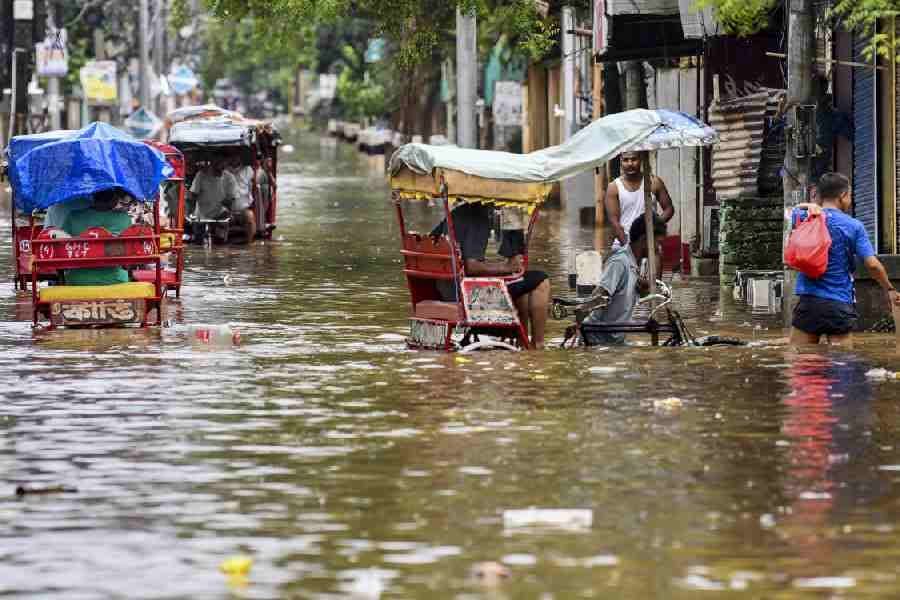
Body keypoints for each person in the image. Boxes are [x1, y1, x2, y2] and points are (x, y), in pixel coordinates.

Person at [789, 172, 900, 346]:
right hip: (839, 303)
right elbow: (872, 265)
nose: (850, 200)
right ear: (842, 196)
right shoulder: (854, 226)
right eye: (849, 196)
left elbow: (795, 210)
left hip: (809, 302)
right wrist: (889, 288)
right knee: (842, 363)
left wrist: (811, 204)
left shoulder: (803, 217)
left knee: (802, 363)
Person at [432, 202, 550, 349]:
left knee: (525, 285)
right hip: (468, 295)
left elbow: (458, 256)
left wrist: (499, 267)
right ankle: (538, 345)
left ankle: (523, 340)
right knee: (541, 280)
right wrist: (505, 267)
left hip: (445, 290)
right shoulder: (478, 218)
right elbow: (471, 266)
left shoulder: (457, 213)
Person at [581, 213, 668, 346]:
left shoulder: (640, 264)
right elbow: (599, 295)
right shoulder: (620, 262)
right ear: (645, 240)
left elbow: (625, 301)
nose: (659, 248)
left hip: (616, 340)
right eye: (658, 242)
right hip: (596, 339)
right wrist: (577, 323)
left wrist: (645, 291)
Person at [60, 188, 133, 286]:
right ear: (114, 199)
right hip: (116, 280)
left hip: (78, 280)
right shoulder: (123, 218)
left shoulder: (73, 216)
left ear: (93, 196)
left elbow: (60, 250)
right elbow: (129, 259)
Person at [604, 151, 673, 249]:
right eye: (626, 160)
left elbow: (669, 208)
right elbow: (614, 222)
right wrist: (628, 246)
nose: (630, 163)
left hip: (650, 243)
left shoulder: (654, 182)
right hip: (622, 244)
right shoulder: (613, 187)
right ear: (621, 161)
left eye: (633, 159)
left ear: (640, 159)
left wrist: (655, 225)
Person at [188, 160, 236, 242]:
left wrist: (230, 212)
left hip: (220, 213)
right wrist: (190, 213)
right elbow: (193, 194)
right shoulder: (201, 175)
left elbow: (231, 198)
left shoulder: (229, 177)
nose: (220, 165)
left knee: (220, 241)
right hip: (201, 214)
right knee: (197, 241)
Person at [227, 158, 257, 242]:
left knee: (250, 217)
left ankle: (250, 243)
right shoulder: (224, 170)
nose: (234, 158)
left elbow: (254, 183)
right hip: (227, 209)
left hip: (243, 209)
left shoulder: (248, 169)